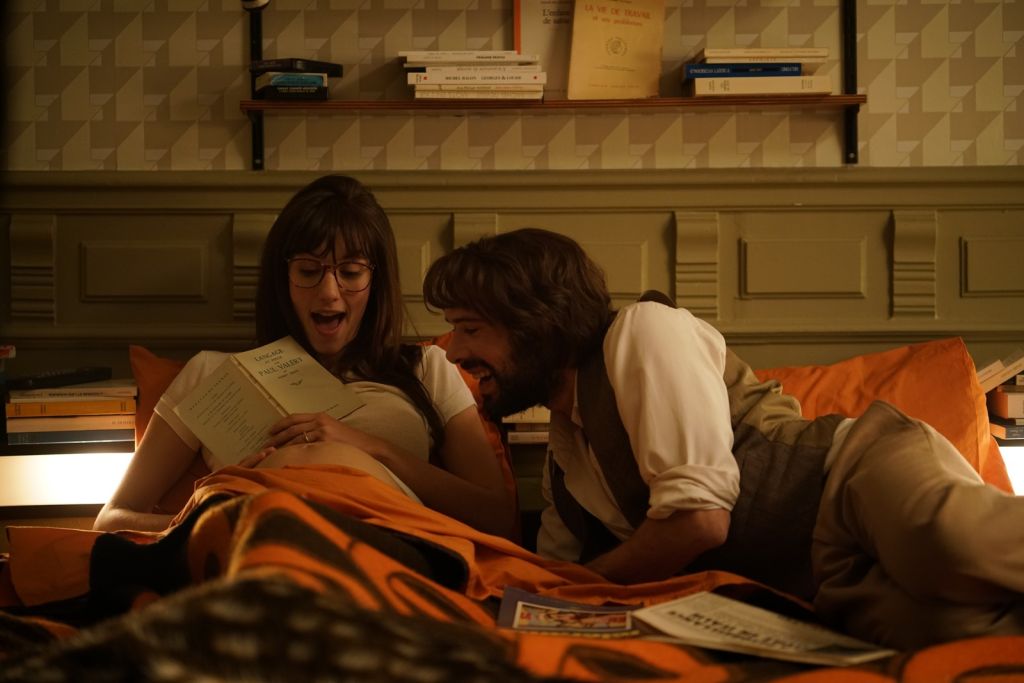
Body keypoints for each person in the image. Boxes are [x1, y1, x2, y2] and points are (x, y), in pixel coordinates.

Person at [421, 227, 1024, 649]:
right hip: (820, 576)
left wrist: (590, 584)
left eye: (469, 329)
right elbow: (559, 579)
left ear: (534, 326)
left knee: (948, 547)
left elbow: (699, 520)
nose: (452, 351)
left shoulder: (641, 331)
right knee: (959, 635)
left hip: (853, 477)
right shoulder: (565, 450)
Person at [94, 175, 515, 539]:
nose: (329, 293)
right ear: (284, 278)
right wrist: (204, 512)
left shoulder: (428, 368)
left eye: (350, 272)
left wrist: (372, 448)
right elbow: (112, 519)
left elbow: (499, 519)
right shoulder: (212, 372)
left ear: (376, 281)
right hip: (258, 544)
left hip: (382, 542)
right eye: (309, 271)